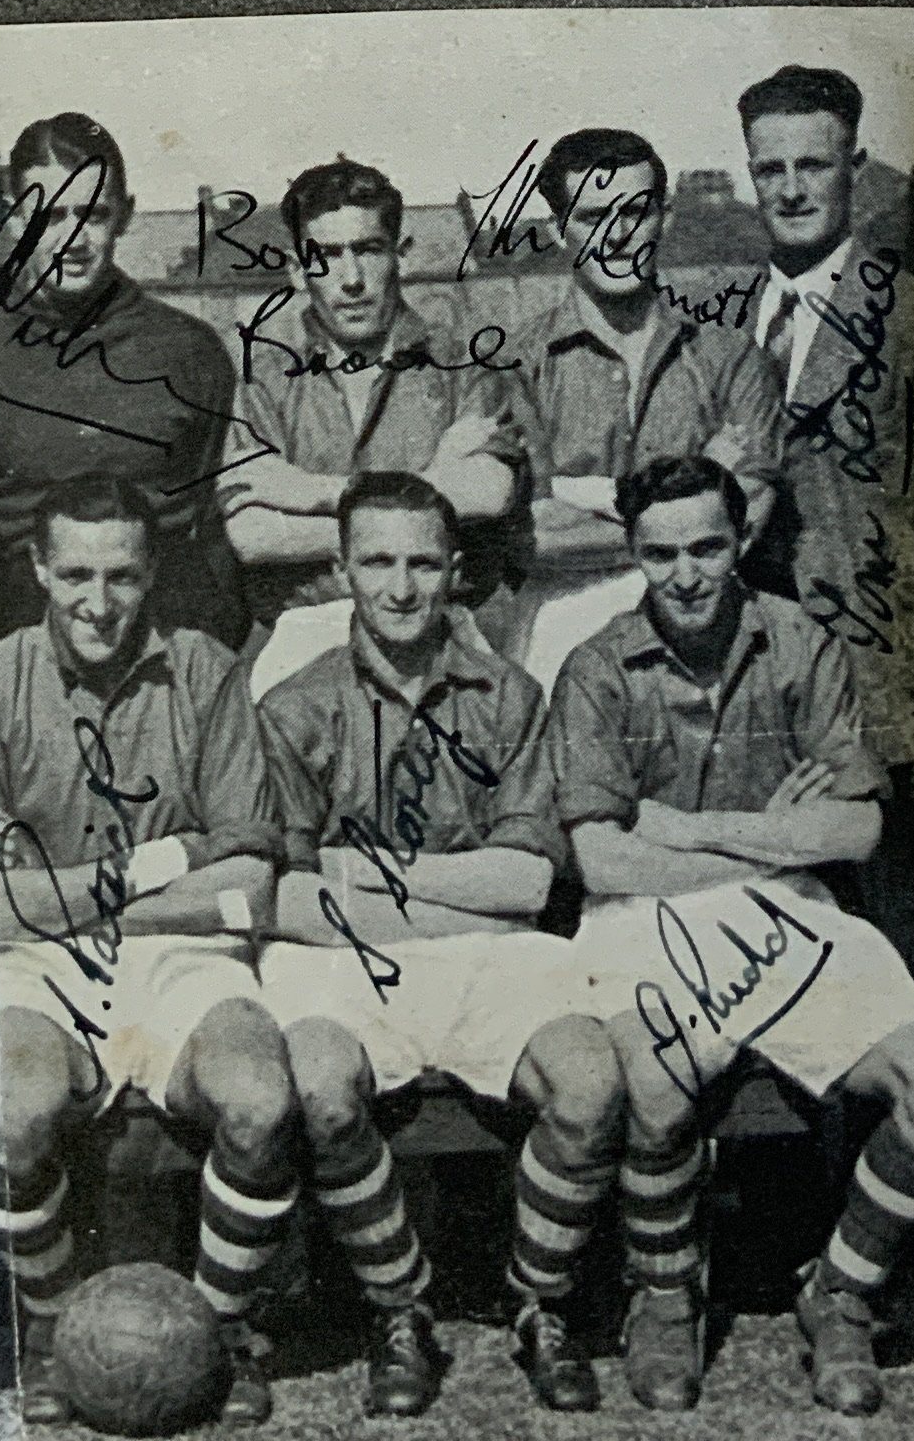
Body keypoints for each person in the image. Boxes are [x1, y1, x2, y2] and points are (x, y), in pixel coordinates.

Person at [551, 458, 914, 1416]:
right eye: (660, 553)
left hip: (793, 910)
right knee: (656, 1090)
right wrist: (771, 836)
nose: (686, 574)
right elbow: (605, 862)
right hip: (645, 920)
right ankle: (664, 1300)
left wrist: (691, 827)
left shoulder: (800, 643)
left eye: (707, 546)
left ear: (740, 539)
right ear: (633, 554)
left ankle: (838, 1294)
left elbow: (858, 830)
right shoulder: (595, 666)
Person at [257, 474, 623, 1415]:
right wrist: (462, 890)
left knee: (588, 1082)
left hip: (486, 956)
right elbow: (290, 901)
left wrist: (364, 877)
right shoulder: (297, 706)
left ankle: (540, 1304)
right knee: (318, 1085)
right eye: (377, 561)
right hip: (339, 960)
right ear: (342, 571)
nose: (402, 587)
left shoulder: (510, 696)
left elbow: (530, 883)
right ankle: (400, 1309)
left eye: (424, 561)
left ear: (457, 572)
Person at [0, 480, 301, 1424]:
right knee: (12, 1106)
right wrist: (163, 861)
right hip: (44, 966)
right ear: (37, 568)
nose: (98, 601)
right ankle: (55, 1331)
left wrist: (68, 904)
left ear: (152, 571)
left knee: (259, 1096)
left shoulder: (204, 669)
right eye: (74, 574)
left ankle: (223, 1330)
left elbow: (249, 888)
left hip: (178, 955)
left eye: (121, 575)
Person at [728, 65, 914, 1017]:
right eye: (769, 168)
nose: (790, 188)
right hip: (770, 713)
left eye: (812, 165)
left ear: (855, 170)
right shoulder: (737, 322)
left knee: (894, 996)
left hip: (881, 733)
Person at [502, 126, 787, 680]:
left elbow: (750, 512)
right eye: (590, 218)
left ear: (667, 217)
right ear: (559, 229)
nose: (616, 236)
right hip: (561, 639)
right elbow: (520, 540)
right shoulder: (516, 367)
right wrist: (701, 498)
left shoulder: (730, 359)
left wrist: (578, 497)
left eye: (635, 212)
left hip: (709, 643)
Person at [0, 114, 244, 646]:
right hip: (25, 633)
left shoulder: (191, 353)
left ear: (125, 216)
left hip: (166, 627)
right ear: (15, 220)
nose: (73, 239)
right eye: (52, 215)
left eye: (93, 214)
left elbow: (211, 521)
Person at [215, 160, 528, 644]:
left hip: (440, 630)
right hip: (308, 633)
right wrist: (430, 519)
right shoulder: (267, 378)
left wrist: (312, 494)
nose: (352, 278)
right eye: (328, 256)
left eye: (368, 249)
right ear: (297, 271)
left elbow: (488, 493)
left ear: (401, 256)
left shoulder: (460, 363)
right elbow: (252, 535)